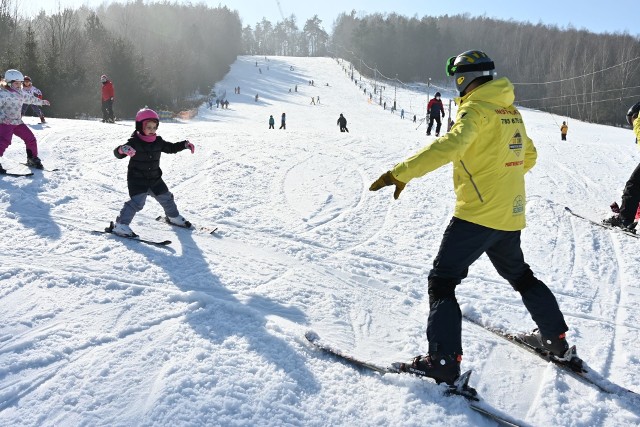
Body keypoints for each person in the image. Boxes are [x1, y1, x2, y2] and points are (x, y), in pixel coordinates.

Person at [369, 50, 576, 387]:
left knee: (442, 281)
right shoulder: (510, 111)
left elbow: (450, 146)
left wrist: (401, 173)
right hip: (509, 215)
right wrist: (502, 175)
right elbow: (530, 155)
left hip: (477, 215)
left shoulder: (477, 110)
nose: (456, 85)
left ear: (465, 79)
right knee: (522, 276)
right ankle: (555, 340)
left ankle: (442, 361)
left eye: (457, 79)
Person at [110, 108, 195, 237]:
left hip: (155, 179)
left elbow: (171, 148)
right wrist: (122, 149)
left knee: (167, 198)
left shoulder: (158, 141)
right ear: (140, 126)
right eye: (148, 127)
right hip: (137, 180)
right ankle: (121, 225)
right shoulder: (134, 142)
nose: (152, 130)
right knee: (137, 203)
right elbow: (118, 153)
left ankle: (173, 217)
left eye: (154, 127)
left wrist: (184, 145)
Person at [0, 69, 50, 172]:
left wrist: (42, 102)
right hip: (5, 123)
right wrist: (3, 117)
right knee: (4, 141)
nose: (19, 85)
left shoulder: (21, 93)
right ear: (9, 83)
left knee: (30, 138)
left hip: (17, 122)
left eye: (20, 83)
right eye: (16, 83)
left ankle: (32, 158)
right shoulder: (3, 94)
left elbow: (31, 99)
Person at [603, 102, 640, 231]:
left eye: (631, 120)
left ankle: (624, 219)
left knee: (633, 185)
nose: (632, 124)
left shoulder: (639, 120)